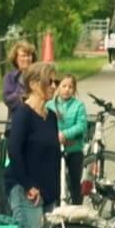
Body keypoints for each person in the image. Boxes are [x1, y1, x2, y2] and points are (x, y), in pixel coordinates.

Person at [7, 62, 63, 228]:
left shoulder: (50, 117)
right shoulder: (22, 114)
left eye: (55, 81)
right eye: (49, 82)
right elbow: (14, 153)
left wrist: (55, 194)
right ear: (33, 85)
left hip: (47, 191)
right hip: (24, 189)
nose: (54, 86)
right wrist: (29, 185)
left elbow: (54, 157)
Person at [50, 74, 88, 206]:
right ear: (58, 88)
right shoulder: (50, 105)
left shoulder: (79, 106)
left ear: (74, 90)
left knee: (75, 181)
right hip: (55, 148)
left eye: (70, 87)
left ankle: (77, 207)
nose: (66, 89)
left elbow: (81, 126)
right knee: (54, 180)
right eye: (64, 86)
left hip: (74, 148)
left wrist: (65, 134)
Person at [0, 40, 35, 111]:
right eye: (23, 56)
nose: (27, 58)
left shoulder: (39, 75)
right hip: (17, 116)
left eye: (29, 55)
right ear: (16, 58)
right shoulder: (10, 77)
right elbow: (8, 100)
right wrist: (25, 94)